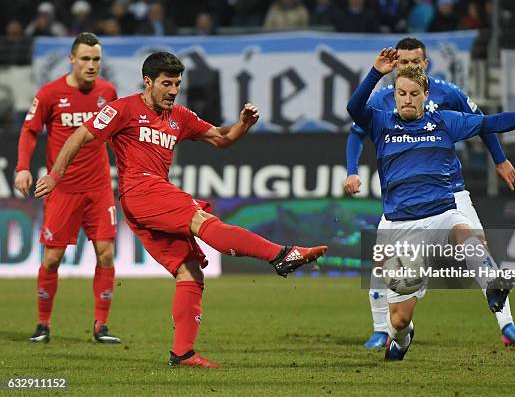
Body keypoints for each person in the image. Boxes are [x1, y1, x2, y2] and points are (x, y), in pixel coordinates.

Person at [34, 52, 328, 368]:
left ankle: (183, 353)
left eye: (177, 84)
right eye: (166, 83)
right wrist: (55, 175)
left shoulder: (180, 116)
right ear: (148, 82)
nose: (173, 91)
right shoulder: (123, 109)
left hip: (149, 200)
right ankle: (280, 255)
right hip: (140, 190)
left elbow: (221, 138)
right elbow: (80, 135)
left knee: (189, 270)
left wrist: (243, 124)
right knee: (201, 219)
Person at [346, 48, 515, 360]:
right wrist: (375, 72)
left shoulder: (445, 121)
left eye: (414, 94)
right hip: (401, 226)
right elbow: (353, 108)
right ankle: (401, 338)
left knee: (465, 232)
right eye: (401, 93)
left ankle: (495, 288)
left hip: (442, 213)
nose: (406, 99)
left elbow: (493, 122)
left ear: (426, 95)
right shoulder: (381, 123)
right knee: (399, 318)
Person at [15, 32, 121, 344]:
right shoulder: (50, 94)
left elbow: (117, 134)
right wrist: (22, 167)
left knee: (106, 254)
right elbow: (29, 130)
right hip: (62, 190)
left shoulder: (108, 92)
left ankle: (101, 326)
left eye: (97, 59)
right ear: (71, 59)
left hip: (99, 187)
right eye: (86, 59)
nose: (92, 65)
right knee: (51, 259)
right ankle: (43, 324)